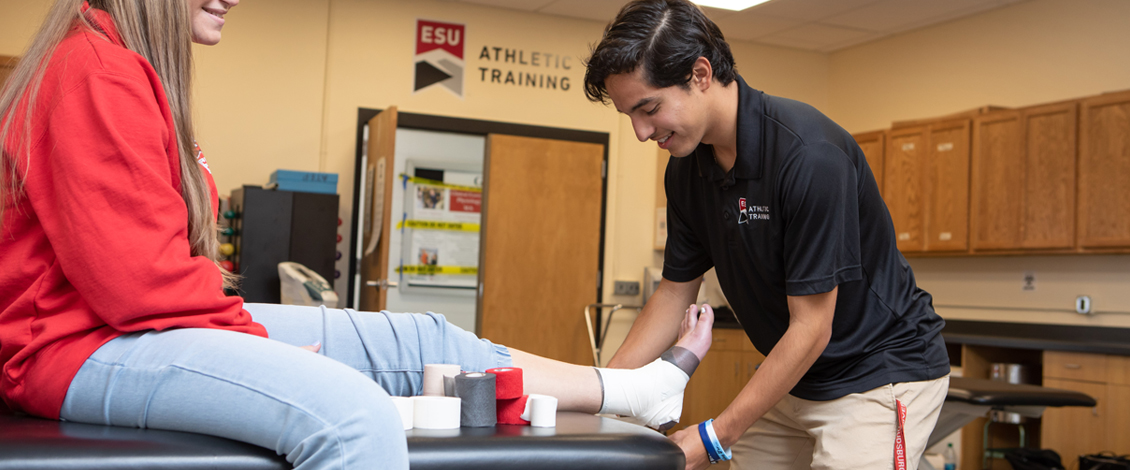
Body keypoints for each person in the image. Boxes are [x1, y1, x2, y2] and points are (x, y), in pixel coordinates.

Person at [0, 1, 716, 469]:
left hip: (127, 325)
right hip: (77, 348)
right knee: (355, 419)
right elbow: (139, 284)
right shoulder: (92, 69)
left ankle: (635, 389)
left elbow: (150, 271)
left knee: (422, 339)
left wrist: (245, 335)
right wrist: (253, 345)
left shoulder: (129, 69)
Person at [583, 1, 951, 469]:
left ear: (700, 74)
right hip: (797, 375)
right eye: (628, 115)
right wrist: (599, 396)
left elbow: (812, 327)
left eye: (648, 108)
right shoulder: (686, 171)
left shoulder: (809, 156)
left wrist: (715, 435)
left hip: (878, 371)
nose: (640, 132)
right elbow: (674, 294)